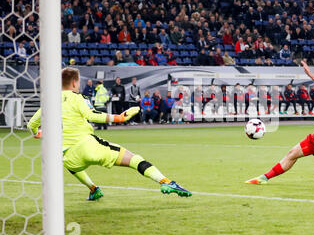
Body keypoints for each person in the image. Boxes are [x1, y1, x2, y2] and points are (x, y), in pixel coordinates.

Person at [27, 68, 191, 201]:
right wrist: (118, 118)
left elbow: (31, 124)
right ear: (74, 82)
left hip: (68, 156)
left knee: (71, 165)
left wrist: (38, 133)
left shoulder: (49, 101)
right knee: (134, 159)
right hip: (88, 146)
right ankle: (166, 182)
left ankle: (93, 189)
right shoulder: (78, 98)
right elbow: (92, 116)